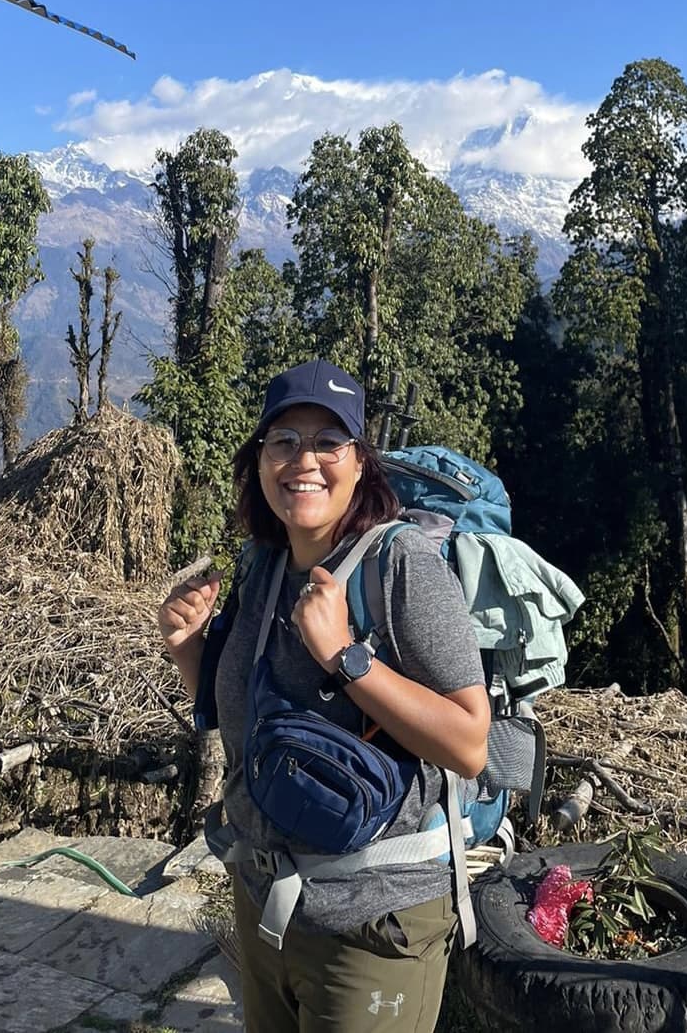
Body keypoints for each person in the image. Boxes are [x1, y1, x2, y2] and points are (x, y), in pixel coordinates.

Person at [159, 358, 489, 1033]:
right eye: (282, 440)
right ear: (257, 461)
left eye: (326, 442)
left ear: (360, 462)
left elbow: (468, 744)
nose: (301, 459)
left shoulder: (400, 568)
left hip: (373, 920)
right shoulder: (264, 563)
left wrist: (346, 657)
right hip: (263, 900)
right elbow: (240, 722)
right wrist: (186, 645)